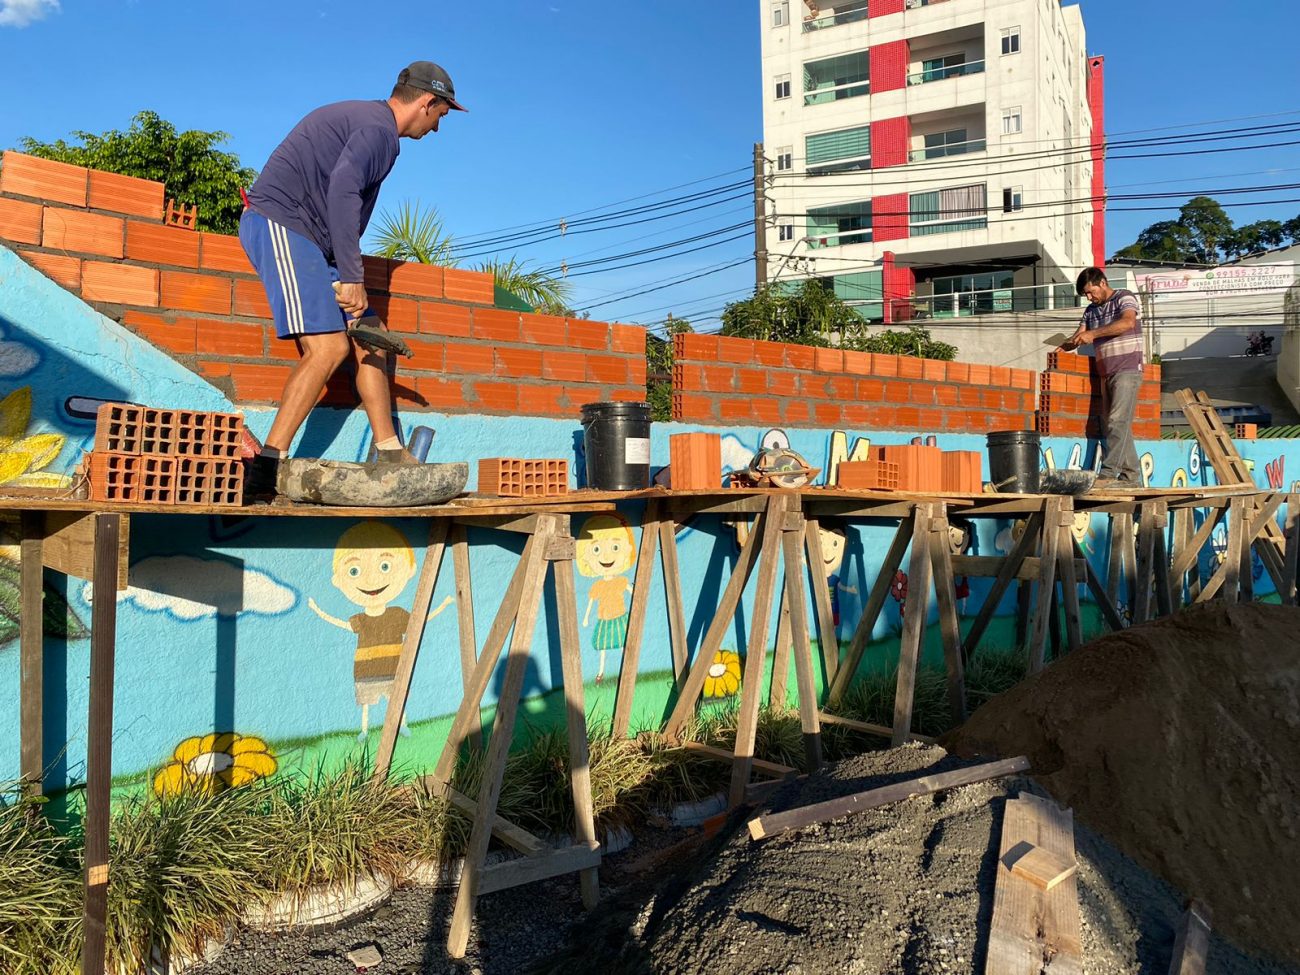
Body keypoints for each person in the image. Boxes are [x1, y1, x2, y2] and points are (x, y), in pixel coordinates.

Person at [238, 61, 467, 499]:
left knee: (369, 334)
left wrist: (347, 274)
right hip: (280, 224)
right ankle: (265, 469)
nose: (437, 128)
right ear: (427, 101)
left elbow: (340, 196)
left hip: (311, 241)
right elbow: (343, 189)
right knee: (330, 347)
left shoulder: (373, 127)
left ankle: (389, 451)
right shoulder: (378, 131)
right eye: (441, 115)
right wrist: (351, 275)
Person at [1063, 267, 1144, 486]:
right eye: (1086, 294)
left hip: (1127, 369)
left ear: (1103, 282)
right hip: (1105, 372)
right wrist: (1062, 347)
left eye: (1091, 292)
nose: (1089, 297)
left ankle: (1108, 474)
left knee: (1117, 421)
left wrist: (1093, 333)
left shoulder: (1124, 297)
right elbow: (1079, 335)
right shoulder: (1090, 310)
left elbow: (1127, 322)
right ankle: (1132, 477)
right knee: (1115, 424)